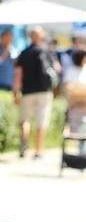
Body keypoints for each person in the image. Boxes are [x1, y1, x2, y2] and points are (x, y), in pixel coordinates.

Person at [13, 27, 60, 160]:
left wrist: (15, 92)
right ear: (42, 36)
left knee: (25, 120)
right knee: (42, 120)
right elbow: (57, 69)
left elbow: (17, 74)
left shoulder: (24, 53)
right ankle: (38, 151)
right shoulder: (47, 51)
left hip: (27, 91)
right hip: (44, 91)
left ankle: (24, 144)